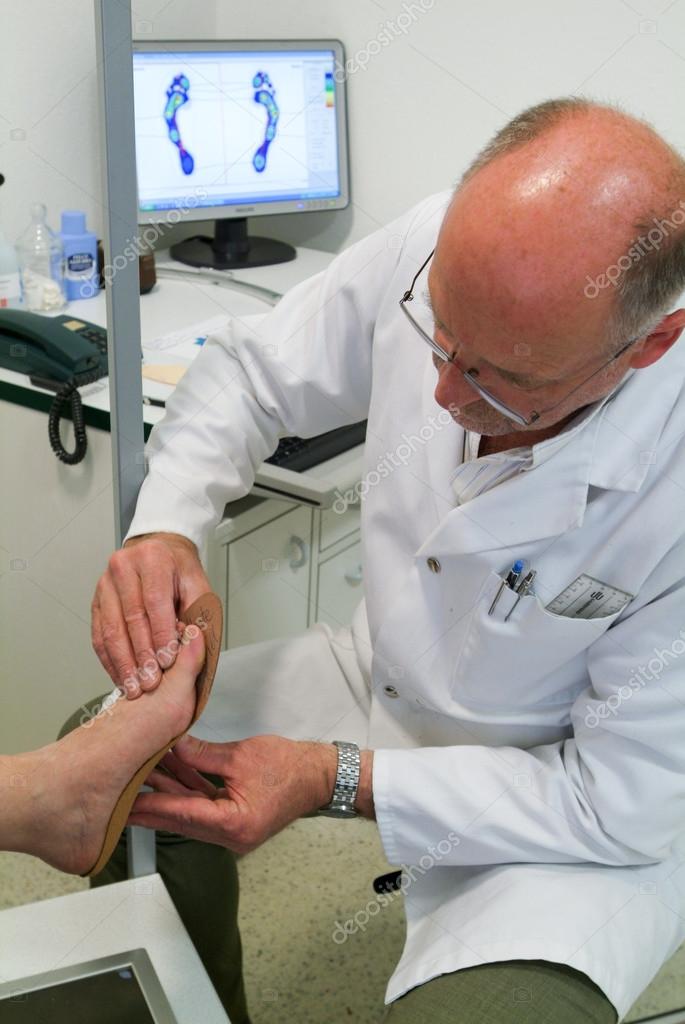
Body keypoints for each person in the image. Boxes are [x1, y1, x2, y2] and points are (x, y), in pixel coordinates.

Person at [85, 96, 685, 1023]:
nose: (444, 393)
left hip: (569, 796)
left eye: (505, 378)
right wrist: (164, 525)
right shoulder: (442, 245)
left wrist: (337, 778)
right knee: (115, 758)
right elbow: (254, 375)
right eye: (438, 332)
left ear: (647, 346)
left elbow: (617, 802)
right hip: (382, 668)